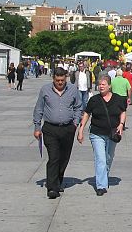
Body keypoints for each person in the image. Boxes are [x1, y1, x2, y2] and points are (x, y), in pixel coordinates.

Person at [32, 67, 83, 199]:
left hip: (67, 128)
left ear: (66, 78)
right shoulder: (45, 90)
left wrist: (75, 123)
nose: (60, 83)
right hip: (50, 129)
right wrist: (37, 127)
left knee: (64, 157)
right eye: (57, 80)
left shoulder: (72, 89)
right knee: (54, 157)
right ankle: (52, 187)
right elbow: (39, 109)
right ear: (53, 79)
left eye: (62, 80)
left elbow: (79, 106)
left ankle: (58, 179)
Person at [78, 75, 126, 196]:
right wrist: (81, 129)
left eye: (103, 84)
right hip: (96, 133)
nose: (101, 86)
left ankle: (104, 176)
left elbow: (123, 111)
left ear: (109, 86)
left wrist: (121, 124)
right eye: (99, 84)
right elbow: (87, 114)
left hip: (112, 133)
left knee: (108, 158)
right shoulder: (94, 100)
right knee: (101, 159)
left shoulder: (118, 99)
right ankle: (101, 185)